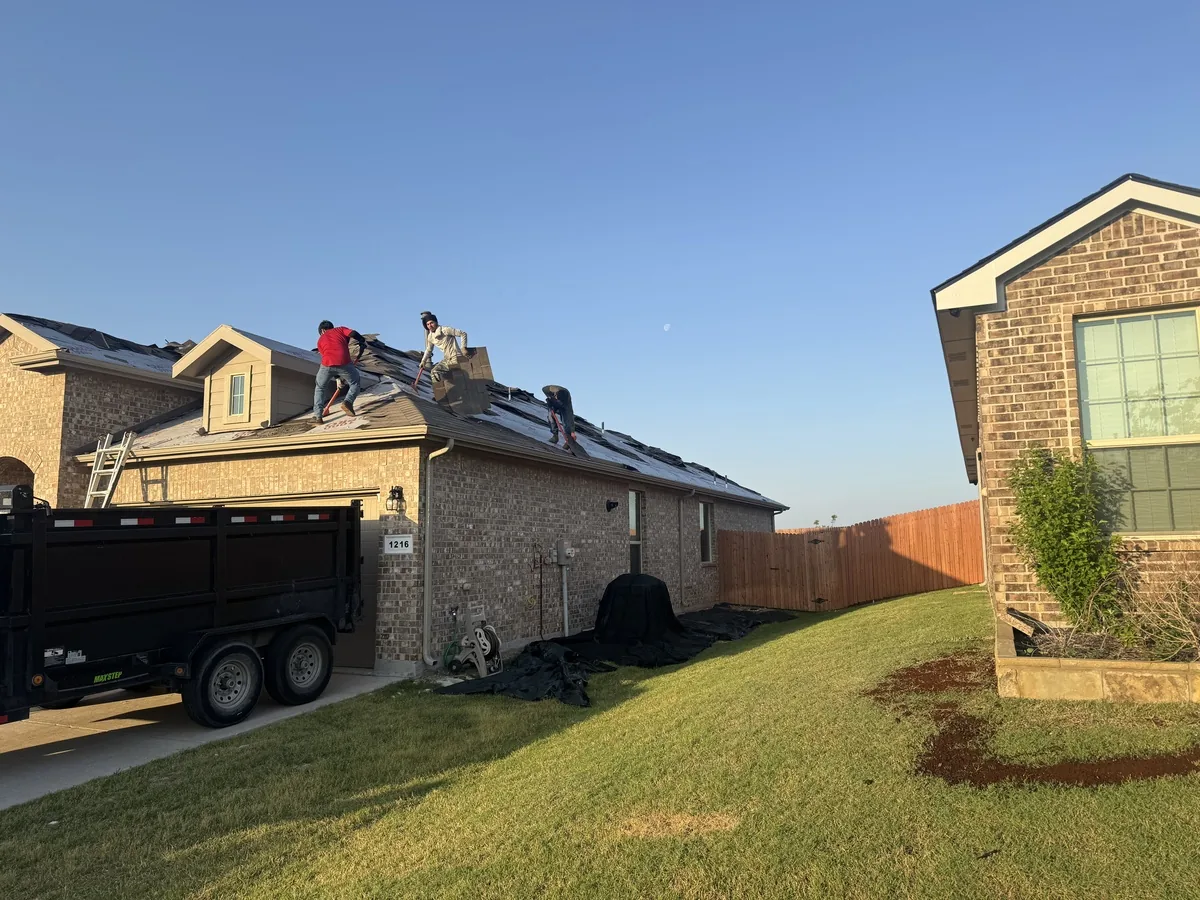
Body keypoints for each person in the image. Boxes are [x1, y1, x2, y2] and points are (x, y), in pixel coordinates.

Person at [313, 320, 365, 423]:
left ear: (322, 331)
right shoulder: (340, 330)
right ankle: (348, 402)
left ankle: (317, 417)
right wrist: (362, 340)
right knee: (355, 383)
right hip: (344, 362)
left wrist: (337, 377)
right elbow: (353, 333)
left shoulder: (320, 340)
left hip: (326, 365)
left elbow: (330, 360)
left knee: (320, 388)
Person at [414, 311, 469, 387]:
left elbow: (463, 333)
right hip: (447, 359)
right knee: (434, 372)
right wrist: (423, 361)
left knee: (456, 377)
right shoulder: (430, 337)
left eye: (431, 323)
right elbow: (429, 350)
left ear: (436, 322)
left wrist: (463, 347)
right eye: (428, 324)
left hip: (456, 357)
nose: (430, 325)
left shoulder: (445, 330)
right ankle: (439, 393)